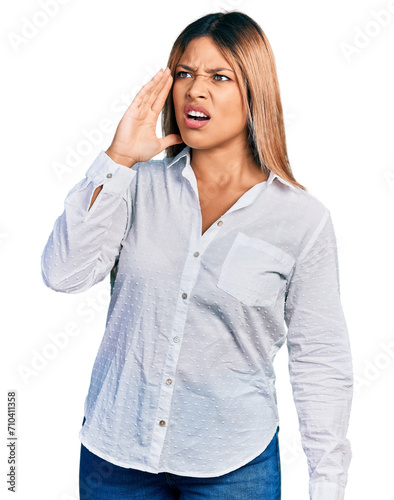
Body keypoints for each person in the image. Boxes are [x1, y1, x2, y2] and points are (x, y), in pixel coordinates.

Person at [41, 10, 354, 500]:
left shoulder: (302, 220)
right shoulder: (136, 186)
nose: (195, 90)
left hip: (235, 465)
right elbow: (62, 273)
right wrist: (118, 159)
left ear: (255, 93)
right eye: (184, 73)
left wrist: (328, 483)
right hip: (116, 456)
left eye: (219, 77)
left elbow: (320, 358)